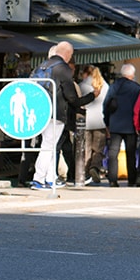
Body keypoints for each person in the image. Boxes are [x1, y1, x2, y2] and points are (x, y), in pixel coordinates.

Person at [31, 41, 95, 190]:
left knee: (50, 144)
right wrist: (89, 98)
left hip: (40, 111)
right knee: (48, 146)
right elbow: (71, 98)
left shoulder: (43, 65)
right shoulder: (63, 69)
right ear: (67, 53)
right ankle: (38, 179)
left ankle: (50, 178)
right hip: (56, 112)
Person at [103, 63, 140, 187]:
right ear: (132, 75)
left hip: (115, 123)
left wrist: (107, 121)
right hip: (131, 125)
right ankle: (132, 179)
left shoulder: (114, 86)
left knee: (113, 152)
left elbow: (106, 104)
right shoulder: (137, 88)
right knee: (131, 153)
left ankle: (113, 179)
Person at [77, 65, 109, 184]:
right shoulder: (105, 86)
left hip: (85, 122)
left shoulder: (82, 86)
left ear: (85, 74)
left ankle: (84, 173)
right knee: (98, 149)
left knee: (86, 149)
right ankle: (94, 167)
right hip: (100, 121)